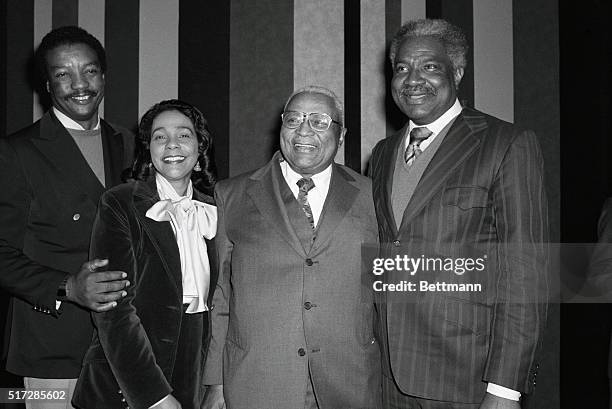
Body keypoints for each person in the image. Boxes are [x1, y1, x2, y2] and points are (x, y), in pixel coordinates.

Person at [369, 19, 548, 408]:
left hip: (467, 378)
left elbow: (526, 273)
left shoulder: (506, 143)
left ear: (458, 72)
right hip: (386, 376)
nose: (412, 79)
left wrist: (504, 389)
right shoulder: (382, 154)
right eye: (401, 68)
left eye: (429, 66)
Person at [202, 86, 381, 409]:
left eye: (319, 121)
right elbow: (221, 295)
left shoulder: (373, 196)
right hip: (258, 382)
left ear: (341, 136)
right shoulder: (232, 195)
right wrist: (216, 381)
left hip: (350, 382)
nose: (303, 130)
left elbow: (386, 293)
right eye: (293, 119)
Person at [0, 26, 132, 407]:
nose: (80, 85)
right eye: (63, 74)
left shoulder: (128, 144)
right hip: (55, 353)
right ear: (47, 84)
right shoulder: (17, 153)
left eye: (89, 71)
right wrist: (68, 287)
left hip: (127, 347)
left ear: (103, 76)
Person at [72, 99, 218, 409]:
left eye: (184, 134)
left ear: (199, 145)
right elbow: (112, 309)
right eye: (160, 136)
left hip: (195, 368)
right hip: (128, 373)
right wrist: (153, 396)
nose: (172, 144)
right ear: (148, 149)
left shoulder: (218, 208)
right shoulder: (120, 203)